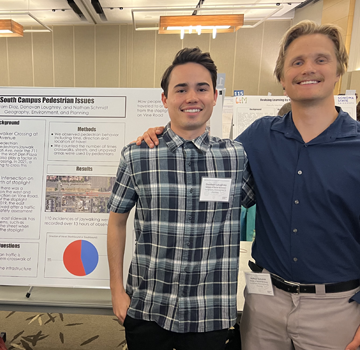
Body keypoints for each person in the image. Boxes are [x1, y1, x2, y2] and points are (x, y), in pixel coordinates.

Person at [138, 20, 360, 350]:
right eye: (296, 62)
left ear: (339, 69)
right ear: (283, 78)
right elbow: (209, 168)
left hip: (336, 308)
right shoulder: (259, 136)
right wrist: (169, 133)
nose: (307, 69)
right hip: (264, 301)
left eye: (321, 59)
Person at [107, 47, 246, 350]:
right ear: (165, 99)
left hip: (208, 311)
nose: (191, 97)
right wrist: (116, 291)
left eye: (201, 88)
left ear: (215, 96)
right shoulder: (137, 155)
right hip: (147, 307)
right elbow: (116, 221)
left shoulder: (236, 157)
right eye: (181, 89)